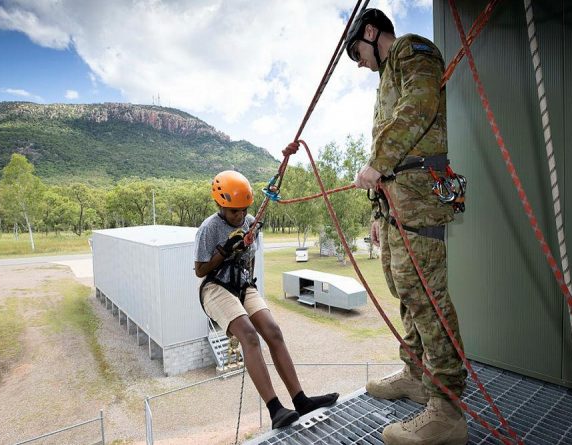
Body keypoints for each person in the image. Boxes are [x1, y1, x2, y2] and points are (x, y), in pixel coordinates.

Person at [345, 8, 469, 445]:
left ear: (371, 31)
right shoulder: (384, 78)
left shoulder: (412, 50)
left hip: (418, 198)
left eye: (355, 51)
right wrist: (379, 213)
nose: (357, 62)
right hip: (397, 205)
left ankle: (448, 408)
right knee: (405, 291)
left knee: (426, 295)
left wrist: (376, 163)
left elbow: (421, 104)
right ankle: (418, 375)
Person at [194, 168, 338, 429]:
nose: (240, 216)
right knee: (249, 335)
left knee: (273, 331)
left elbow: (251, 256)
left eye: (243, 209)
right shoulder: (209, 229)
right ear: (220, 205)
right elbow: (200, 270)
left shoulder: (250, 221)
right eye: (234, 211)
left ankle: (300, 399)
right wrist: (223, 251)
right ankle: (275, 410)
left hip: (242, 283)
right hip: (215, 286)